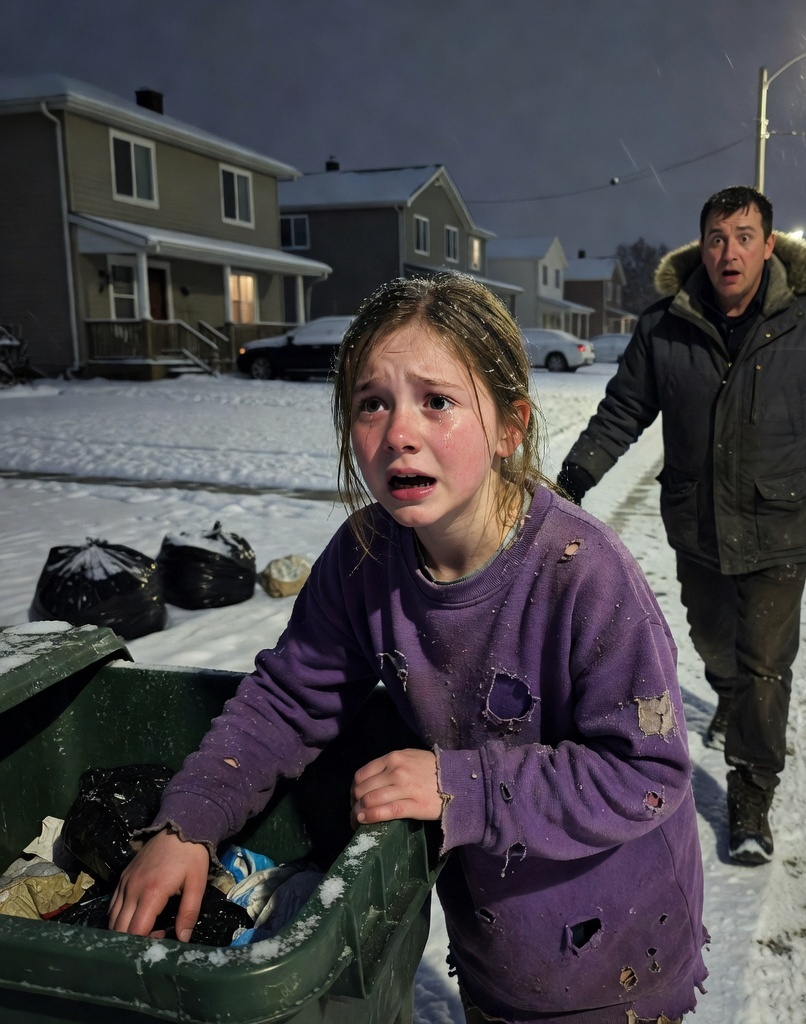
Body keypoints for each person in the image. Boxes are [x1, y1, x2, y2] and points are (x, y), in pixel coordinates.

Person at [109, 273, 709, 1023]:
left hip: (617, 955)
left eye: (437, 400)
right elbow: (288, 699)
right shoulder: (364, 557)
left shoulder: (583, 574)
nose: (399, 431)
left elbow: (646, 772)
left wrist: (464, 787)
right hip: (496, 939)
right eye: (372, 403)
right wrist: (187, 824)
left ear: (509, 426)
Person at [558, 185, 806, 867]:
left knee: (766, 666)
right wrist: (574, 478)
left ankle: (752, 790)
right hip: (698, 526)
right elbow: (622, 411)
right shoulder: (663, 327)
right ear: (700, 248)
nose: (728, 250)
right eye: (715, 237)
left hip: (779, 527)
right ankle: (728, 698)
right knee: (712, 642)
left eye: (743, 235)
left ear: (768, 245)